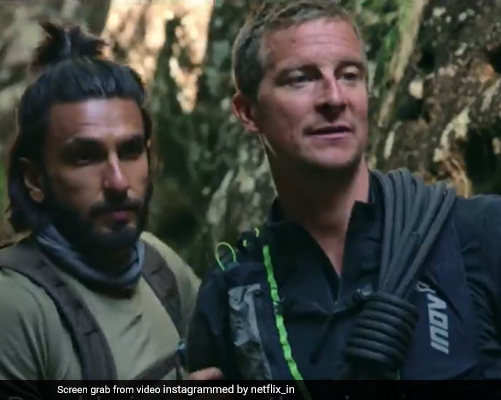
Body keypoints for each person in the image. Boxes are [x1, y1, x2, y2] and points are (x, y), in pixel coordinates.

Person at [0, 21, 221, 396]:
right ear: (35, 180)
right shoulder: (5, 315)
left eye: (130, 151)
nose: (118, 182)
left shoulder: (159, 268)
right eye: (85, 156)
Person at [186, 0, 501, 387]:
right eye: (301, 79)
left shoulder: (478, 236)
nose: (334, 98)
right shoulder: (232, 296)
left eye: (349, 76)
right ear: (248, 112)